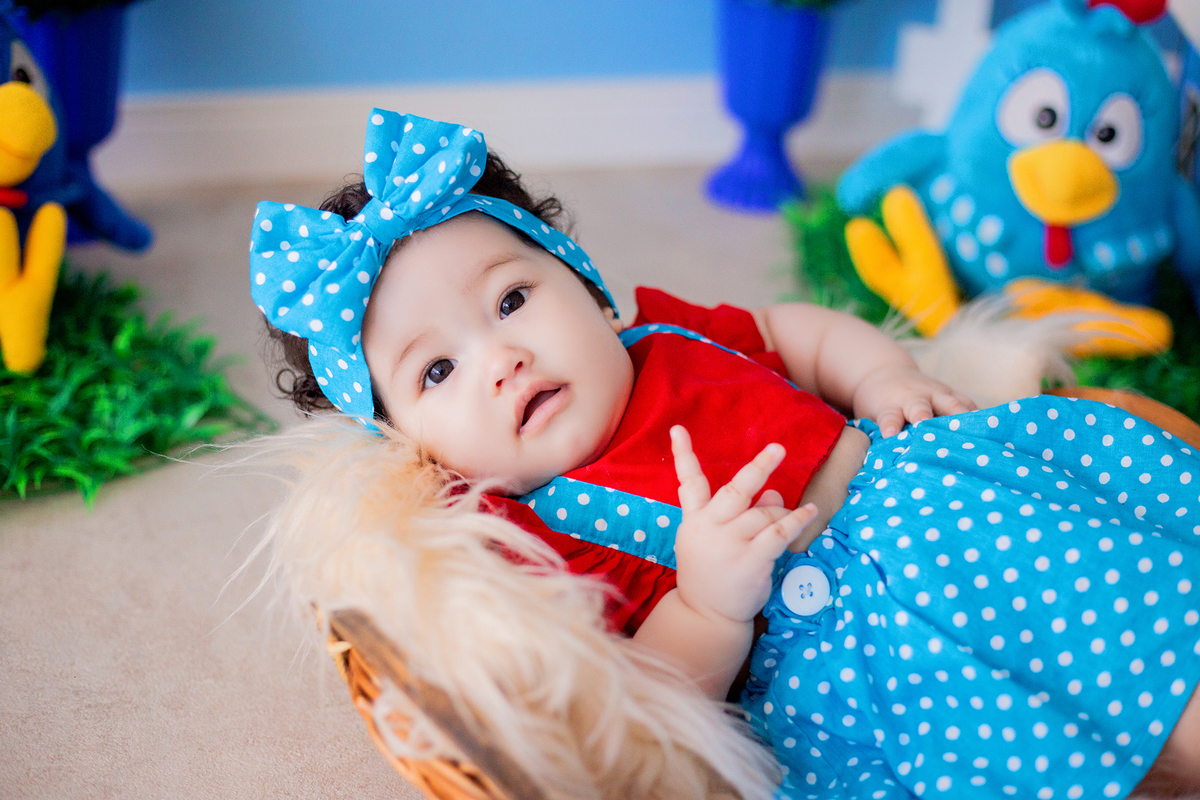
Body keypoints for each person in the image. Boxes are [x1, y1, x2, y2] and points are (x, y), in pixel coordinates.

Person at [251, 110, 1200, 799]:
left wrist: (879, 380)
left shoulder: (668, 338)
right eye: (439, 371)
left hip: (942, 508)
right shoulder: (525, 530)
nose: (502, 361)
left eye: (511, 301)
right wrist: (707, 602)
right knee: (1028, 749)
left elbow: (799, 335)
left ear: (586, 287)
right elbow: (643, 701)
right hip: (856, 667)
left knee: (1144, 616)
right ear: (415, 450)